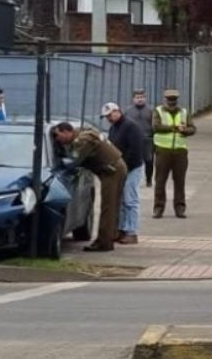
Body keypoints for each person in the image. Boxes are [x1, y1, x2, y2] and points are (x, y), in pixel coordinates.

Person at [52, 122, 127, 252]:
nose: (57, 139)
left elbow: (73, 162)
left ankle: (104, 243)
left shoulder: (82, 140)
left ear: (66, 132)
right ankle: (109, 237)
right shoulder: (83, 134)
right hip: (112, 168)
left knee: (108, 207)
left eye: (57, 136)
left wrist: (60, 159)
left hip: (112, 170)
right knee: (111, 207)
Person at [102, 102, 145, 245]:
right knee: (120, 200)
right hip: (121, 168)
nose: (108, 118)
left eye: (109, 115)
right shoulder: (114, 128)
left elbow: (135, 151)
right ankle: (121, 229)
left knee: (130, 200)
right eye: (106, 116)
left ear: (117, 111)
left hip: (132, 168)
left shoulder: (131, 127)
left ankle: (131, 232)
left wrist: (124, 167)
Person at [152, 89, 196, 218]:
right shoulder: (158, 111)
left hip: (180, 151)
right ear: (165, 100)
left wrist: (185, 131)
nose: (171, 103)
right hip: (163, 150)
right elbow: (156, 127)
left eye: (174, 101)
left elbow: (192, 128)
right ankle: (158, 208)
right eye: (169, 101)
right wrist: (175, 128)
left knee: (180, 181)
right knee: (160, 181)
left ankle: (180, 208)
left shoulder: (184, 112)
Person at [124, 89, 155, 187]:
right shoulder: (128, 111)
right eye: (137, 98)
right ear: (133, 99)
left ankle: (149, 180)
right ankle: (133, 180)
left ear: (145, 98)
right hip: (133, 140)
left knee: (149, 160)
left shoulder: (151, 110)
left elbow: (154, 125)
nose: (140, 100)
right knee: (133, 160)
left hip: (147, 139)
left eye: (142, 97)